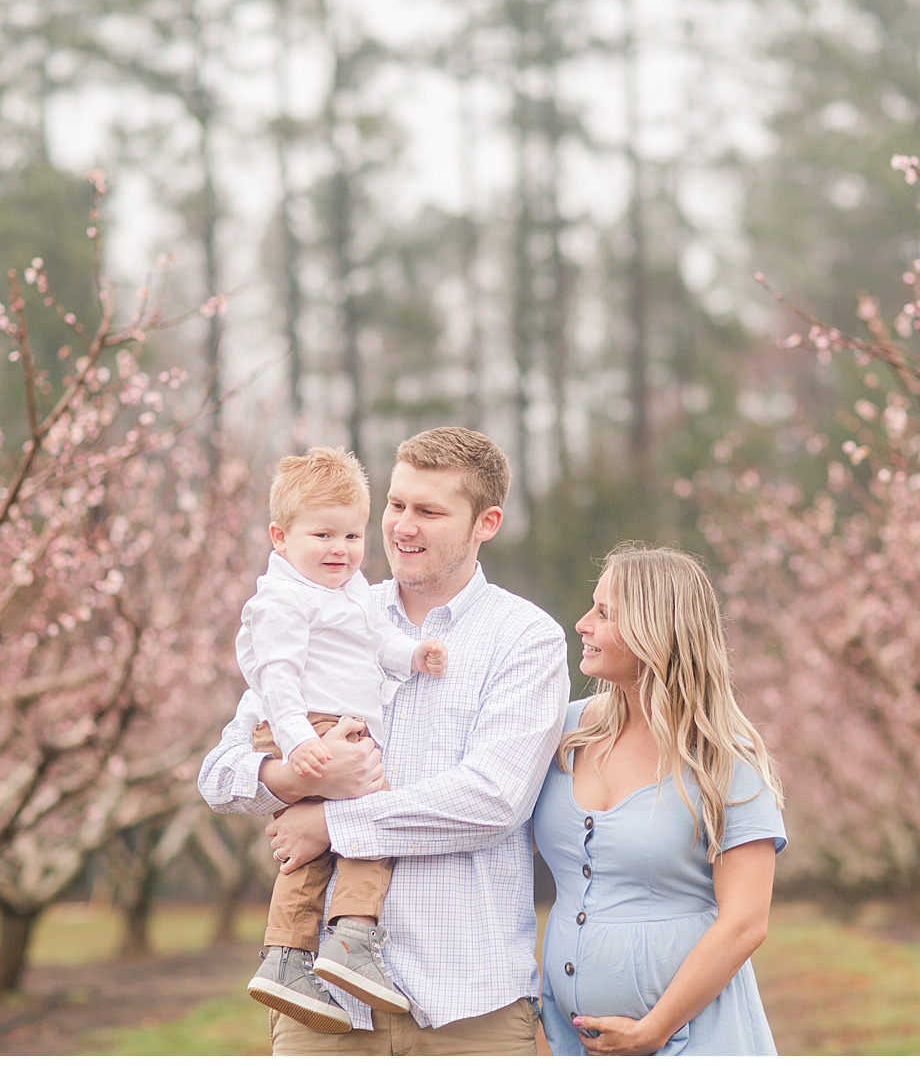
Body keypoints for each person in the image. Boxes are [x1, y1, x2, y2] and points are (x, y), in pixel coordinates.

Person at [198, 427, 569, 1055]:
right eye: (396, 505)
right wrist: (291, 780)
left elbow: (492, 800)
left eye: (429, 511)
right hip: (323, 1013)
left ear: (487, 523)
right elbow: (220, 773)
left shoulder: (525, 638)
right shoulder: (321, 608)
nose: (401, 527)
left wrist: (332, 826)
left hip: (466, 1002)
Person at [533, 542, 786, 1055]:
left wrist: (655, 1026)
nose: (582, 624)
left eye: (604, 613)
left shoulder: (723, 758)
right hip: (574, 1042)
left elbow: (745, 922)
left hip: (696, 1040)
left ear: (655, 630)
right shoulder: (559, 730)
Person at [232, 446, 449, 1032]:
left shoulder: (349, 591)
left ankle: (287, 956)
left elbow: (376, 642)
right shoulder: (284, 600)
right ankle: (353, 937)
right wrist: (298, 742)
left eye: (352, 536)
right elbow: (275, 677)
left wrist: (413, 654)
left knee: (314, 848)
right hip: (313, 725)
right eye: (322, 535)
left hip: (330, 728)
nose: (340, 550)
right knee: (377, 816)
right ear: (280, 538)